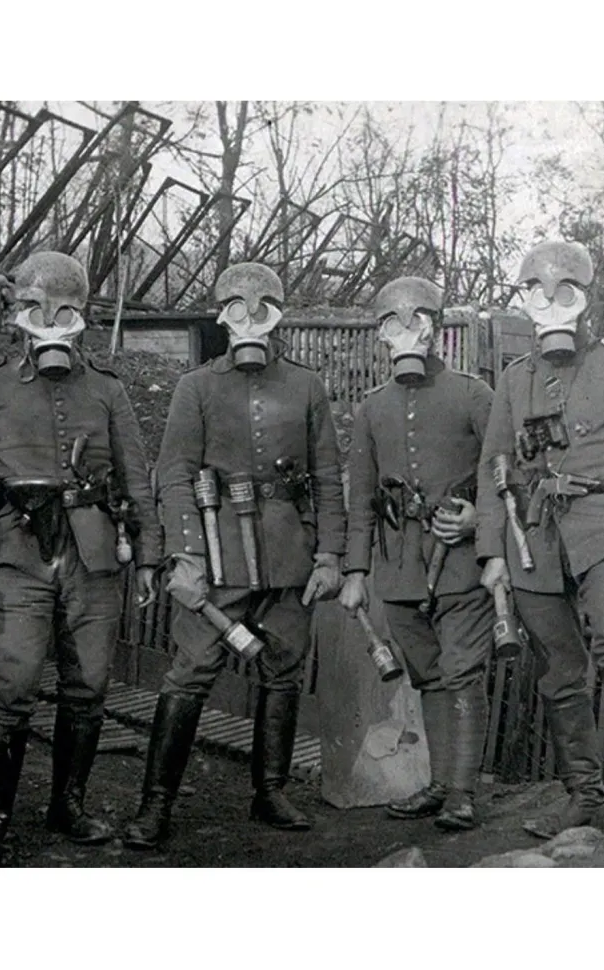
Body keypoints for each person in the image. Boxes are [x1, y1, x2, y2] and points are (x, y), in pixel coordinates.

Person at [0, 250, 161, 866]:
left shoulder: (108, 391)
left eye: (63, 310)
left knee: (87, 687)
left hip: (93, 555)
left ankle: (69, 804)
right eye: (36, 308)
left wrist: (147, 558)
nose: (49, 322)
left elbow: (137, 478)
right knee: (10, 689)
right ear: (18, 316)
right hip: (17, 552)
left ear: (81, 317)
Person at [123, 261, 346, 850]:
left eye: (262, 308)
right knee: (191, 672)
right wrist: (186, 555)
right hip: (216, 555)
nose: (250, 321)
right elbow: (172, 474)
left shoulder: (306, 386)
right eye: (236, 308)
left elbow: (327, 477)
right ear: (220, 316)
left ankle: (270, 791)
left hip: (289, 554)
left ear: (278, 317)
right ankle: (156, 804)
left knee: (283, 670)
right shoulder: (195, 386)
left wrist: (328, 555)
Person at [475, 239, 604, 838]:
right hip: (532, 535)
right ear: (522, 303)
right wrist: (492, 552)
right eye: (536, 295)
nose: (550, 307)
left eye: (562, 294)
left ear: (585, 301)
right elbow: (494, 467)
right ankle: (582, 792)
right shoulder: (515, 380)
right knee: (559, 667)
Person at [338, 277, 496, 831]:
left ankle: (462, 794)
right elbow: (359, 498)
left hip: (459, 560)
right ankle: (440, 783)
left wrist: (480, 522)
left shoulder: (474, 394)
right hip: (399, 564)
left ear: (436, 329)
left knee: (461, 671)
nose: (405, 333)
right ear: (380, 335)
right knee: (428, 675)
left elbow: (504, 473)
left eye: (417, 321)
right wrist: (356, 570)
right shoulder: (371, 408)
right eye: (392, 323)